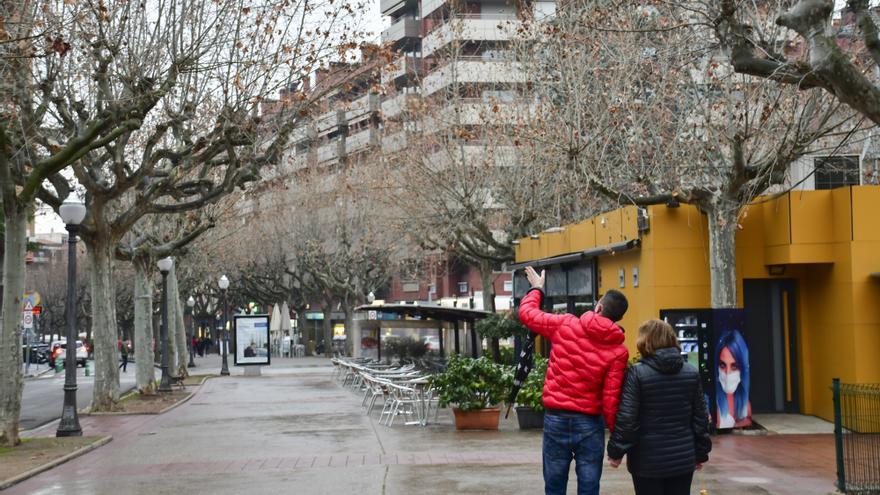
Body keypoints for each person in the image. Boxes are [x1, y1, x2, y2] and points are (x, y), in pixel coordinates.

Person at [519, 266, 630, 495]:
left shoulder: (565, 324)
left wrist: (537, 289)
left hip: (556, 419)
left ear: (598, 307)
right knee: (589, 487)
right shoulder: (619, 352)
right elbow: (611, 400)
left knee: (554, 486)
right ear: (618, 318)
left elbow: (527, 314)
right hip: (589, 424)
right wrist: (616, 441)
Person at [606, 320, 711, 495]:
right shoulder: (691, 373)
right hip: (682, 458)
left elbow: (628, 419)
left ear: (644, 341)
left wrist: (616, 451)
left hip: (647, 461)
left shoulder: (637, 373)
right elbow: (700, 418)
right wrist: (701, 453)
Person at [715, 329, 751, 428]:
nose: (728, 373)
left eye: (734, 366)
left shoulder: (745, 403)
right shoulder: (712, 404)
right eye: (723, 365)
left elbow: (747, 420)